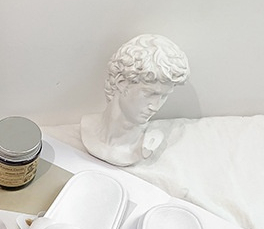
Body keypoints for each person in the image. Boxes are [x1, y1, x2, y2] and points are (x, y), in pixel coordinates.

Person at [80, 34, 190, 167]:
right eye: (150, 93)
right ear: (121, 82)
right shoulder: (84, 126)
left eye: (163, 96)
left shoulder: (147, 144)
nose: (155, 107)